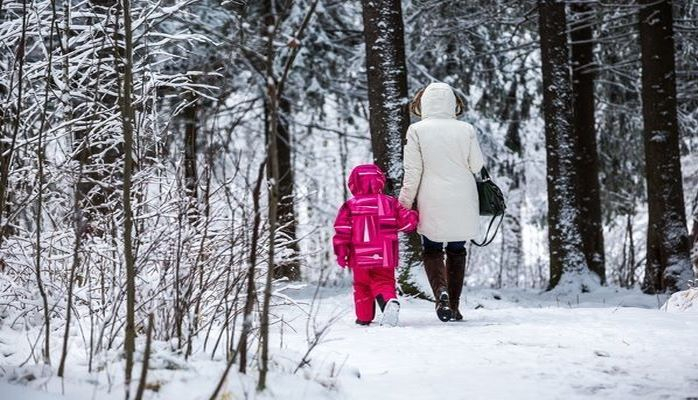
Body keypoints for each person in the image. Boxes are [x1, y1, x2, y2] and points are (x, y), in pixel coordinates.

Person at [398, 82, 485, 322]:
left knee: (432, 249)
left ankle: (441, 294)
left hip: (431, 199)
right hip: (463, 198)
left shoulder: (417, 131)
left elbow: (412, 172)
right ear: (452, 103)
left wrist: (404, 203)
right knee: (457, 250)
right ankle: (454, 307)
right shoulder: (466, 129)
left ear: (423, 103)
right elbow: (477, 166)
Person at [333, 164, 419, 326]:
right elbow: (407, 222)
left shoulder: (350, 206)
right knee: (384, 282)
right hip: (385, 254)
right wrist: (414, 215)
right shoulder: (390, 203)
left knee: (361, 285)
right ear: (380, 181)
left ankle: (364, 317)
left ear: (353, 184)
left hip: (360, 256)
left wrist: (341, 253)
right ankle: (388, 302)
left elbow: (342, 231)